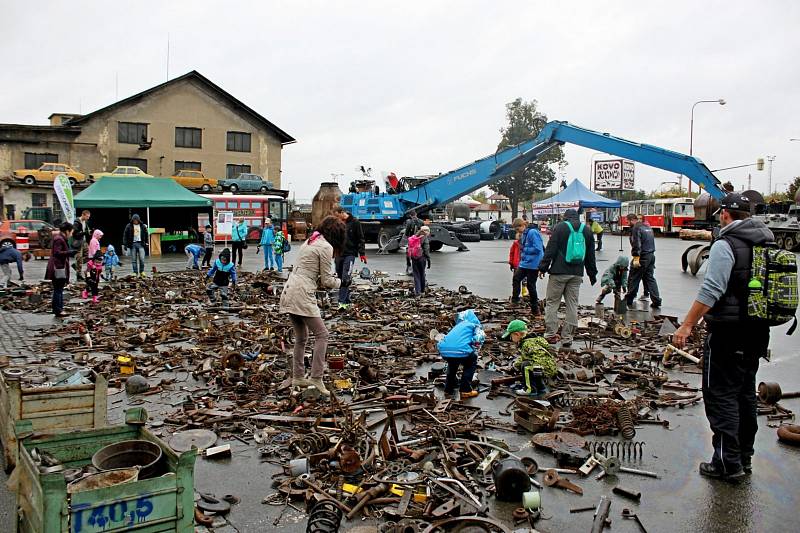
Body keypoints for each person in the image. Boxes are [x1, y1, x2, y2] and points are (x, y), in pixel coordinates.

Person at [672, 193, 773, 482]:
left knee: (721, 396)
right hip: (757, 331)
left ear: (727, 215)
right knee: (744, 395)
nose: (718, 217)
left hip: (728, 333)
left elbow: (711, 290)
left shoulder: (726, 244)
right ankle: (744, 457)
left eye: (720, 213)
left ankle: (727, 465)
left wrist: (687, 325)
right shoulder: (765, 240)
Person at [279, 216, 348, 397]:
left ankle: (298, 377)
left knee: (301, 337)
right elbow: (326, 281)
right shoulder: (326, 246)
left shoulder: (311, 241)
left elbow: (309, 272)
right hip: (302, 293)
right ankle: (316, 378)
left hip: (289, 290)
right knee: (322, 335)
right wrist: (343, 282)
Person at [538, 208, 598, 347]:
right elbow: (590, 255)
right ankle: (567, 337)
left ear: (565, 217)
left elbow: (550, 249)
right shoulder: (587, 230)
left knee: (553, 303)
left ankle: (551, 335)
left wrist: (543, 267)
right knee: (572, 305)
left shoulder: (560, 228)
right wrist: (592, 273)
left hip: (558, 273)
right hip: (576, 274)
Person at [437, 309, 485, 399]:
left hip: (444, 350)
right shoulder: (475, 325)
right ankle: (465, 390)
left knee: (452, 365)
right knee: (471, 362)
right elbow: (478, 339)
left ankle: (448, 390)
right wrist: (474, 349)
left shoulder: (458, 326)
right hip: (459, 350)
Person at [502, 320, 557, 396]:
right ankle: (541, 387)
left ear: (517, 334)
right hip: (547, 366)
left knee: (526, 366)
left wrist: (536, 366)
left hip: (543, 367)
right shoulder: (532, 340)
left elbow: (538, 356)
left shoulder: (527, 344)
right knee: (528, 365)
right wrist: (515, 365)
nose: (511, 339)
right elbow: (525, 357)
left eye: (511, 336)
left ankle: (529, 390)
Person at [625, 213, 662, 308]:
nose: (627, 223)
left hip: (642, 256)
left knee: (634, 277)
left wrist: (636, 257)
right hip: (651, 256)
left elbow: (636, 244)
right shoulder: (647, 227)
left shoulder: (636, 228)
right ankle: (656, 300)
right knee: (650, 278)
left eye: (628, 221)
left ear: (632, 220)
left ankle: (629, 299)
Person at [333, 206, 367, 309]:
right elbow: (335, 239)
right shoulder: (338, 224)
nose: (337, 219)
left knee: (345, 278)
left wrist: (362, 253)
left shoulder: (355, 222)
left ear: (342, 212)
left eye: (338, 216)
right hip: (339, 254)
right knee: (340, 278)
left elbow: (361, 238)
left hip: (350, 254)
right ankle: (347, 300)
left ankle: (341, 302)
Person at [512, 219, 544, 316]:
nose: (518, 232)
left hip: (533, 264)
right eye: (516, 230)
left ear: (522, 225)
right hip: (525, 263)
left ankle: (535, 309)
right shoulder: (525, 234)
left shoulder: (532, 232)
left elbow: (538, 248)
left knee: (531, 285)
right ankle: (515, 300)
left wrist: (525, 249)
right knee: (516, 278)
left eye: (518, 229)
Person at [45, 222, 77, 317]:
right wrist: (69, 252)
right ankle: (58, 310)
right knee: (58, 289)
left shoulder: (60, 238)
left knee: (58, 289)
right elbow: (57, 253)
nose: (71, 234)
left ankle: (58, 308)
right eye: (71, 232)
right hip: (58, 268)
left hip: (59, 267)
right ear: (67, 231)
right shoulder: (59, 239)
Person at [123, 214, 149, 278]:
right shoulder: (129, 226)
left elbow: (146, 234)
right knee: (134, 260)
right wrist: (125, 244)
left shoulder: (142, 226)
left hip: (141, 244)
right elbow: (125, 235)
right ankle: (135, 272)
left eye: (136, 220)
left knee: (142, 259)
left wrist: (147, 242)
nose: (135, 221)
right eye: (134, 220)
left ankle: (142, 271)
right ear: (132, 220)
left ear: (138, 220)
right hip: (132, 244)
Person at [408, 226, 431, 296]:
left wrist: (409, 259)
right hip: (422, 258)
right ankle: (422, 291)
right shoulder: (424, 238)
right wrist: (429, 259)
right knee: (422, 274)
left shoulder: (414, 237)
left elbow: (409, 248)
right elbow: (426, 250)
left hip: (414, 258)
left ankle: (417, 292)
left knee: (416, 275)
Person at [73, 210, 91, 281]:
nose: (88, 218)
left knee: (88, 256)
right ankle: (78, 275)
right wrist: (84, 233)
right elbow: (75, 234)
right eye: (87, 216)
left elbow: (85, 231)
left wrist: (89, 232)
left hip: (84, 241)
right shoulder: (77, 223)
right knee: (79, 258)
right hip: (78, 242)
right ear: (83, 215)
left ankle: (76, 265)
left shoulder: (85, 222)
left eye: (89, 217)